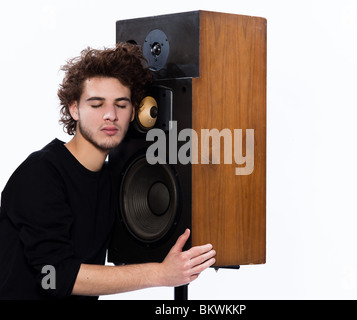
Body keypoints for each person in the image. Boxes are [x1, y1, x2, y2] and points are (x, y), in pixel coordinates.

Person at [0, 43, 216, 300]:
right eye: (96, 104)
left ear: (134, 112)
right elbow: (54, 276)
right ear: (74, 109)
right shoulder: (40, 174)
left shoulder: (114, 179)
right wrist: (160, 274)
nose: (110, 115)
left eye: (121, 104)